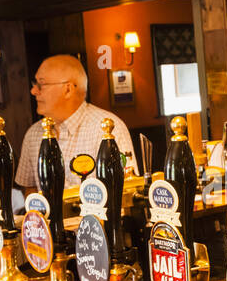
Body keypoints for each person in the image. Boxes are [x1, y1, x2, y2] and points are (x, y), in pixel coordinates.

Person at [16, 55, 139, 191]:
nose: (33, 91)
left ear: (68, 89)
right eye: (34, 84)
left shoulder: (107, 128)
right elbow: (30, 188)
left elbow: (126, 189)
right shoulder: (33, 134)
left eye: (41, 84)